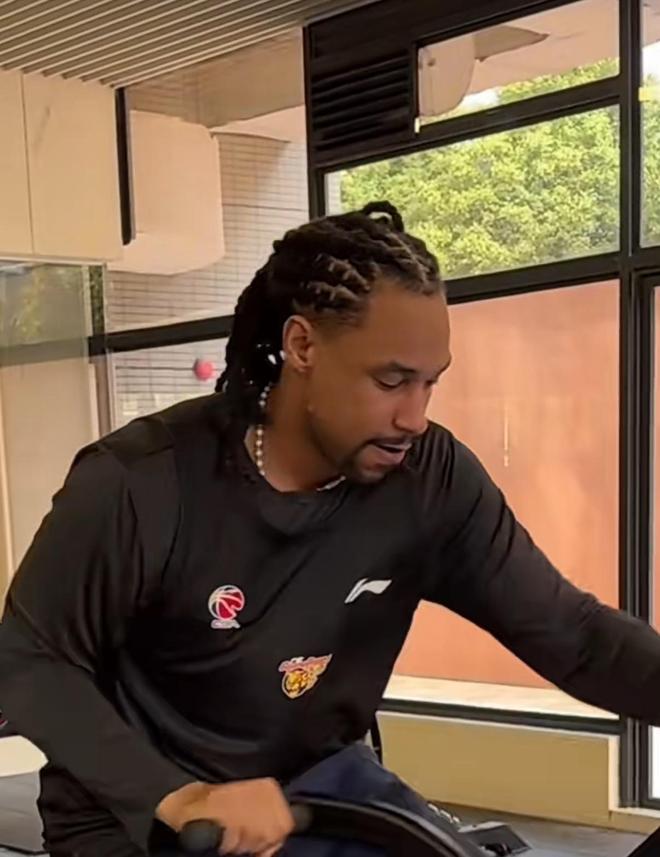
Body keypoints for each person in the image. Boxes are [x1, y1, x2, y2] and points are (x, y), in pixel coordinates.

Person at [1, 201, 660, 857]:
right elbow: (29, 659)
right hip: (147, 814)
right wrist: (181, 796)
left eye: (429, 384)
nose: (415, 417)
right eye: (391, 380)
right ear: (303, 346)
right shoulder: (141, 482)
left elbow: (575, 636)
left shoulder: (429, 478)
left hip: (318, 789)